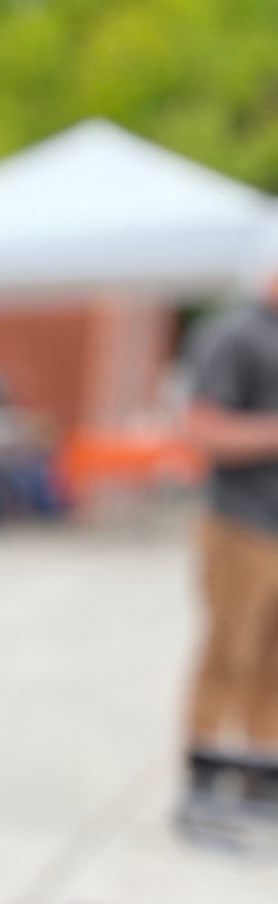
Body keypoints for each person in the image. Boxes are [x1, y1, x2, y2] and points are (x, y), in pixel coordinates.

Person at [181, 251, 278, 825]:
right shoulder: (236, 336)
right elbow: (202, 428)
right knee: (228, 654)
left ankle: (261, 781)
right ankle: (205, 780)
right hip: (241, 523)